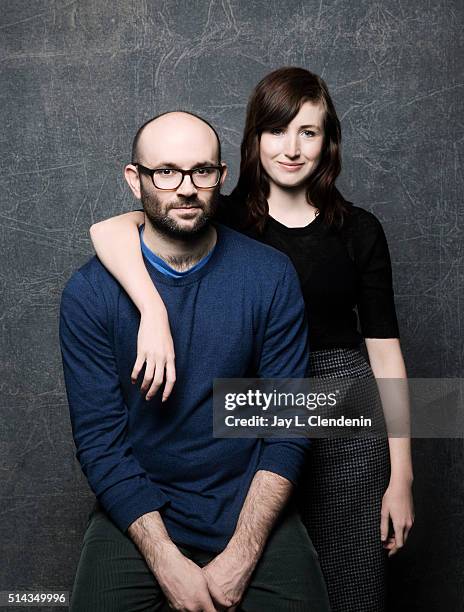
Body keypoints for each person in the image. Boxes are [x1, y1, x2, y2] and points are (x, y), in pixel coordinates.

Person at [89, 67, 415, 612]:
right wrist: (151, 308)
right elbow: (110, 230)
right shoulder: (223, 214)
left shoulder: (359, 229)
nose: (291, 148)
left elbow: (384, 352)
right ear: (253, 139)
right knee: (250, 570)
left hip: (342, 409)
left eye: (308, 132)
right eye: (276, 130)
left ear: (327, 142)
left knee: (350, 586)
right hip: (248, 404)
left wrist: (402, 475)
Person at [59, 110, 331, 612]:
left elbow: (289, 427)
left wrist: (243, 553)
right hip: (141, 507)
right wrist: (165, 560)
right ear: (134, 179)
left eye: (202, 171)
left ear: (221, 177)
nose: (185, 187)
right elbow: (101, 443)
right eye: (165, 171)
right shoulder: (90, 295)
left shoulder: (268, 276)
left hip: (249, 502)